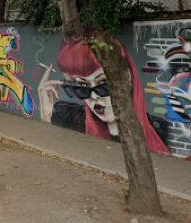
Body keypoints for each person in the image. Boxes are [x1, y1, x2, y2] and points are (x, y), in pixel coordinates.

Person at [38, 37, 171, 155]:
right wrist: (46, 114)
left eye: (103, 83)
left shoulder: (162, 131)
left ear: (128, 79)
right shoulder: (69, 116)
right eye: (83, 87)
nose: (95, 96)